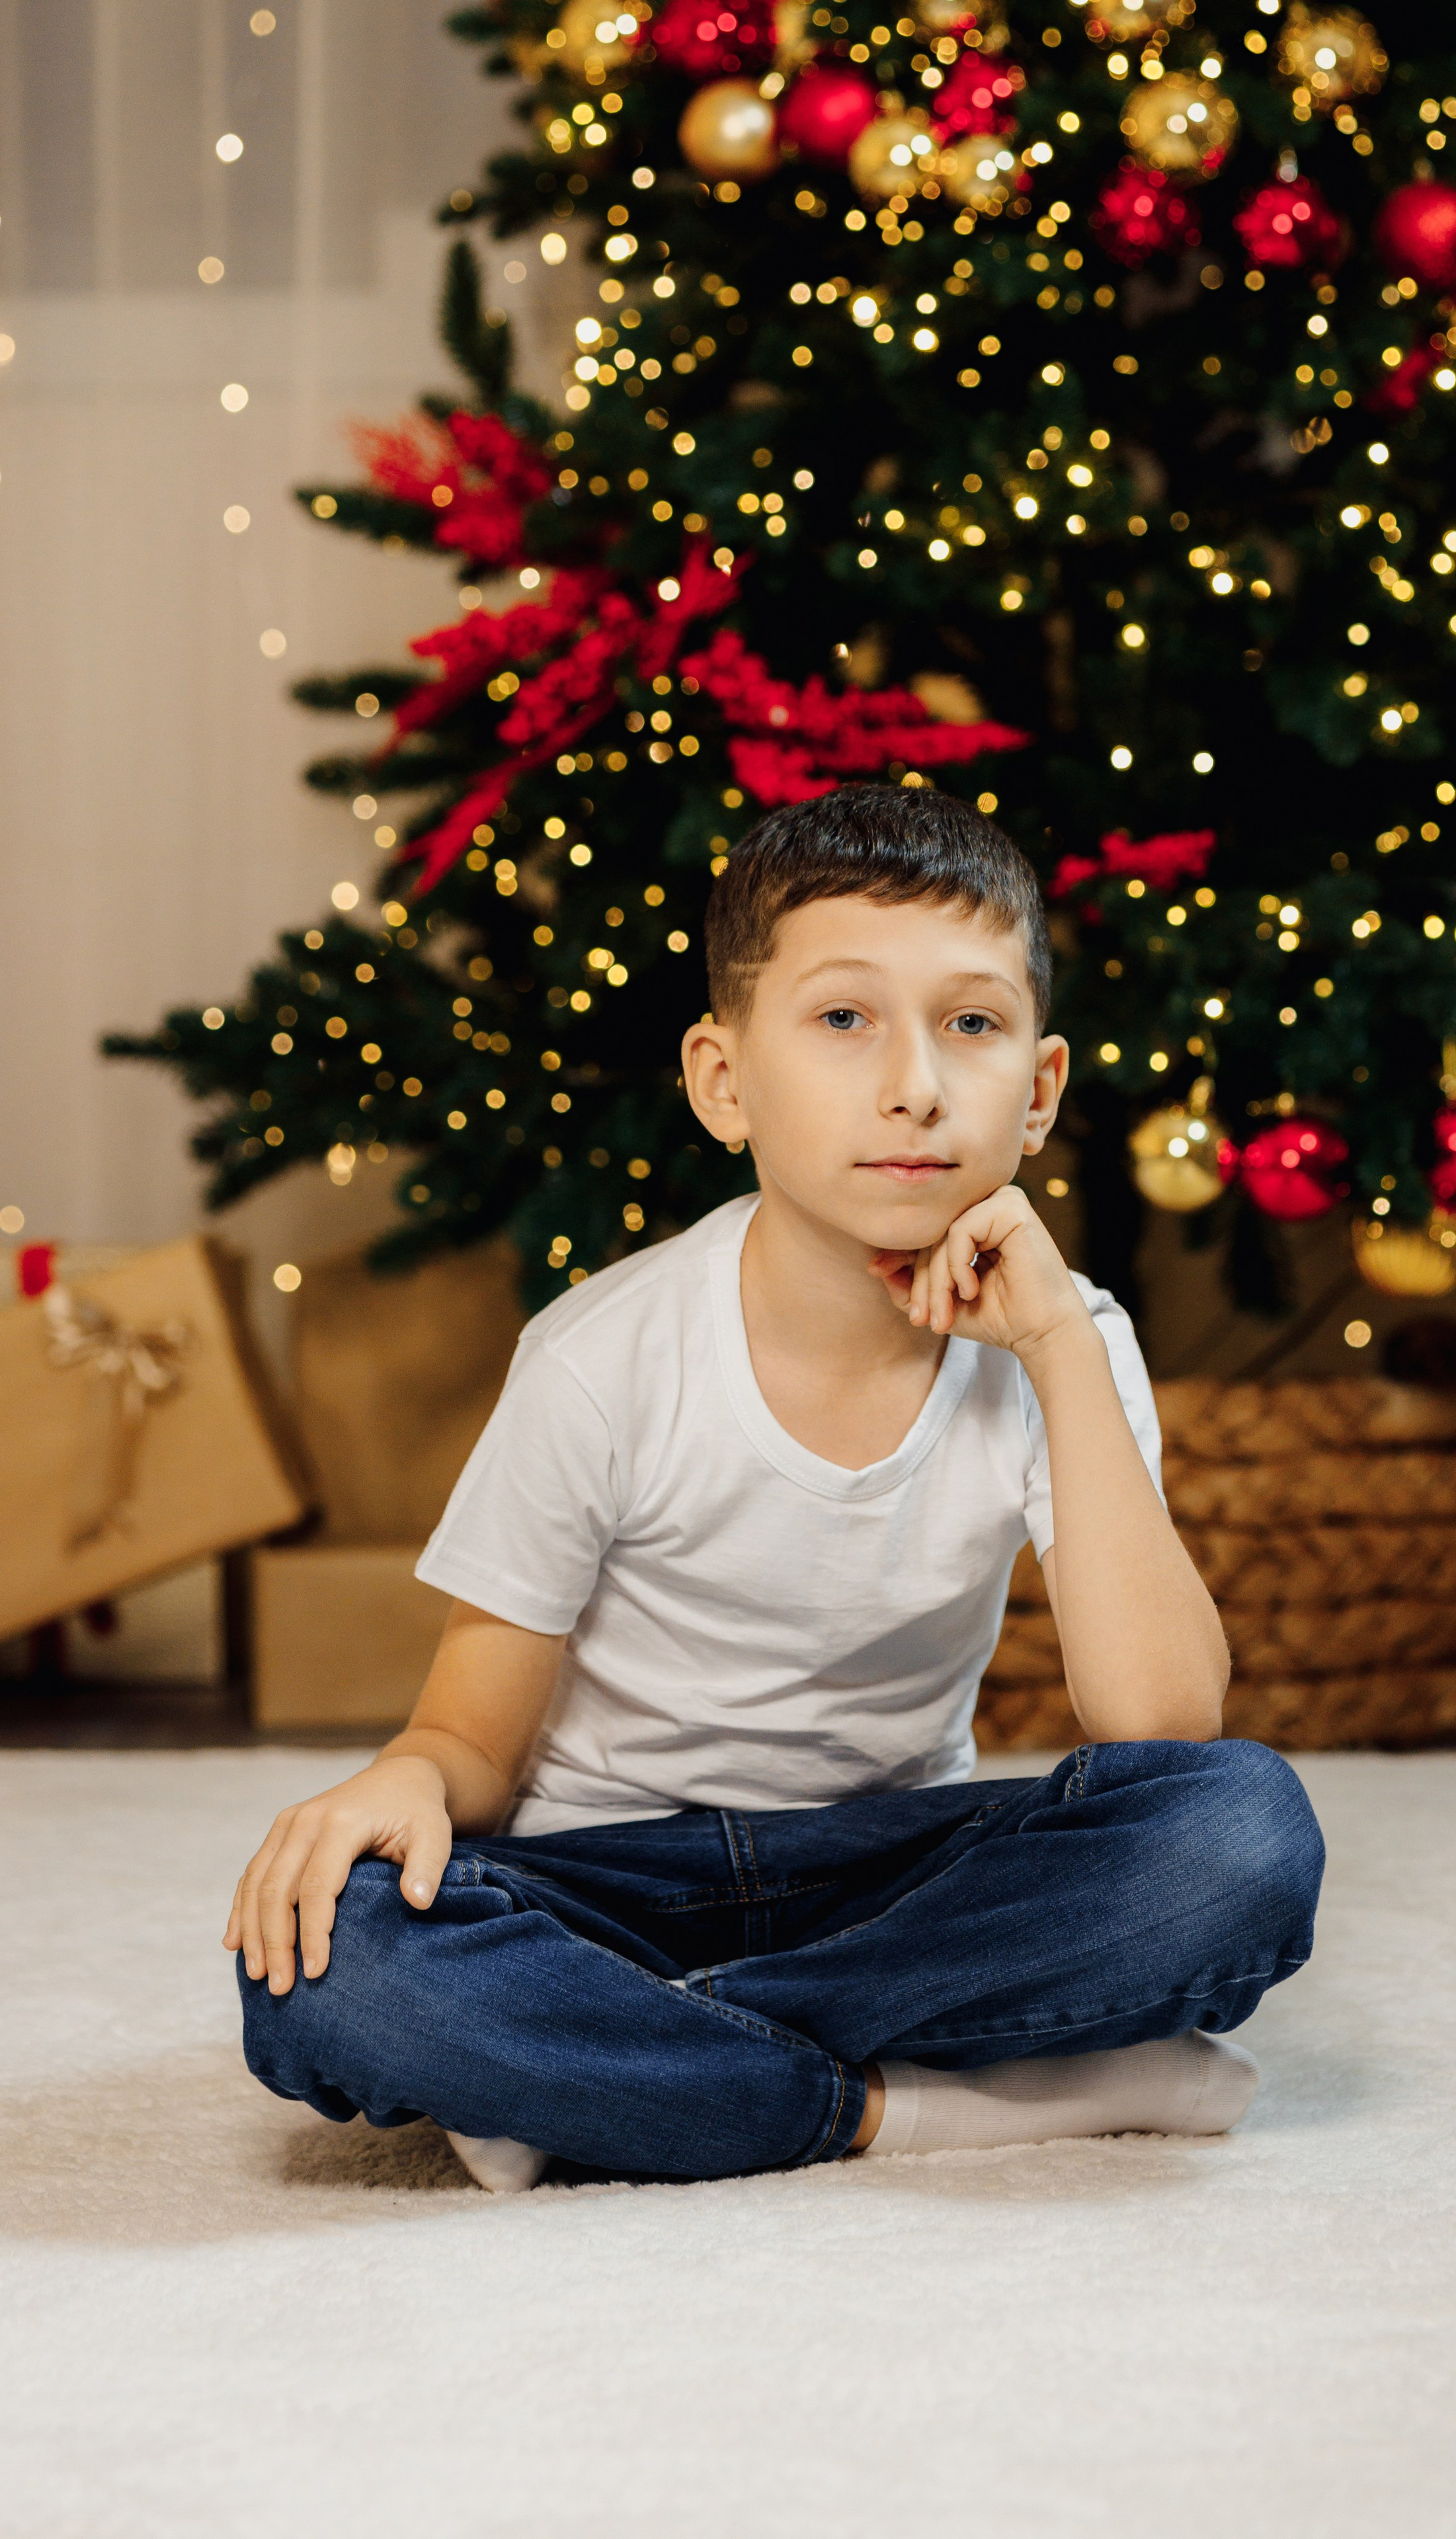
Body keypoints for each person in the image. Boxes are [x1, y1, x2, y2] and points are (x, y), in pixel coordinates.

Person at [230, 786, 1324, 2192]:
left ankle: (609, 2078)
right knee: (333, 1965)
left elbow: (1162, 1726)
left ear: (1038, 1093)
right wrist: (396, 1783)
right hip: (605, 1880)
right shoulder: (597, 1357)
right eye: (842, 1019)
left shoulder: (1066, 1341)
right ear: (721, 1079)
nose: (914, 1084)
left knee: (1235, 1834)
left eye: (971, 1025)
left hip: (890, 1878)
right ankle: (920, 2106)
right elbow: (472, 1743)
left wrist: (1054, 1348)